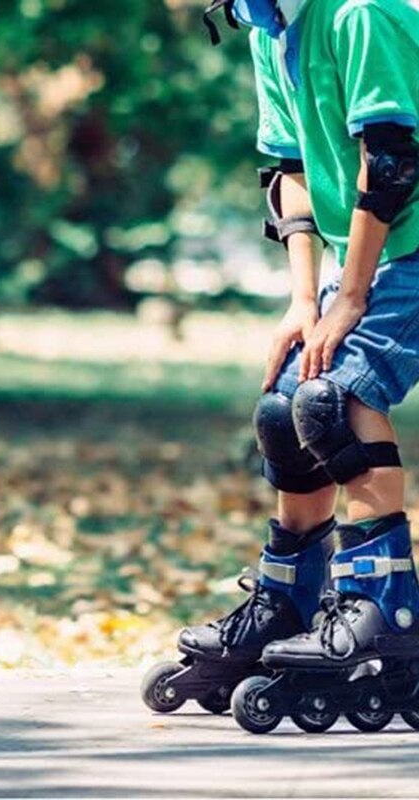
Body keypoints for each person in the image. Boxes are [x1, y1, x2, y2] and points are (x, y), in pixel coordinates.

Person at [142, 0, 419, 727]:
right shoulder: (271, 31)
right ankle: (291, 600)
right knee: (287, 411)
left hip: (408, 248)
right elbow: (290, 168)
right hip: (367, 252)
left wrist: (350, 294)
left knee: (340, 401)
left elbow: (391, 162)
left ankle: (385, 611)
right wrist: (305, 300)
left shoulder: (361, 14)